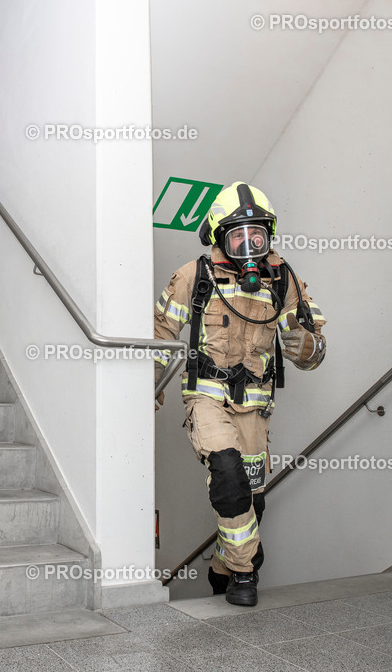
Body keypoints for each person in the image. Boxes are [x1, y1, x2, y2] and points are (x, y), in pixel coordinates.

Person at [154, 182, 326, 606]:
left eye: (257, 236)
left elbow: (311, 343)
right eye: (237, 236)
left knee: (250, 502)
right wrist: (149, 385)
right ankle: (247, 572)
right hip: (206, 397)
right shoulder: (193, 277)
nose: (248, 246)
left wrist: (310, 348)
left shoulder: (285, 280)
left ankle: (220, 571)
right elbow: (160, 336)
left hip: (256, 407)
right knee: (227, 476)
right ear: (218, 238)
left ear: (268, 236)